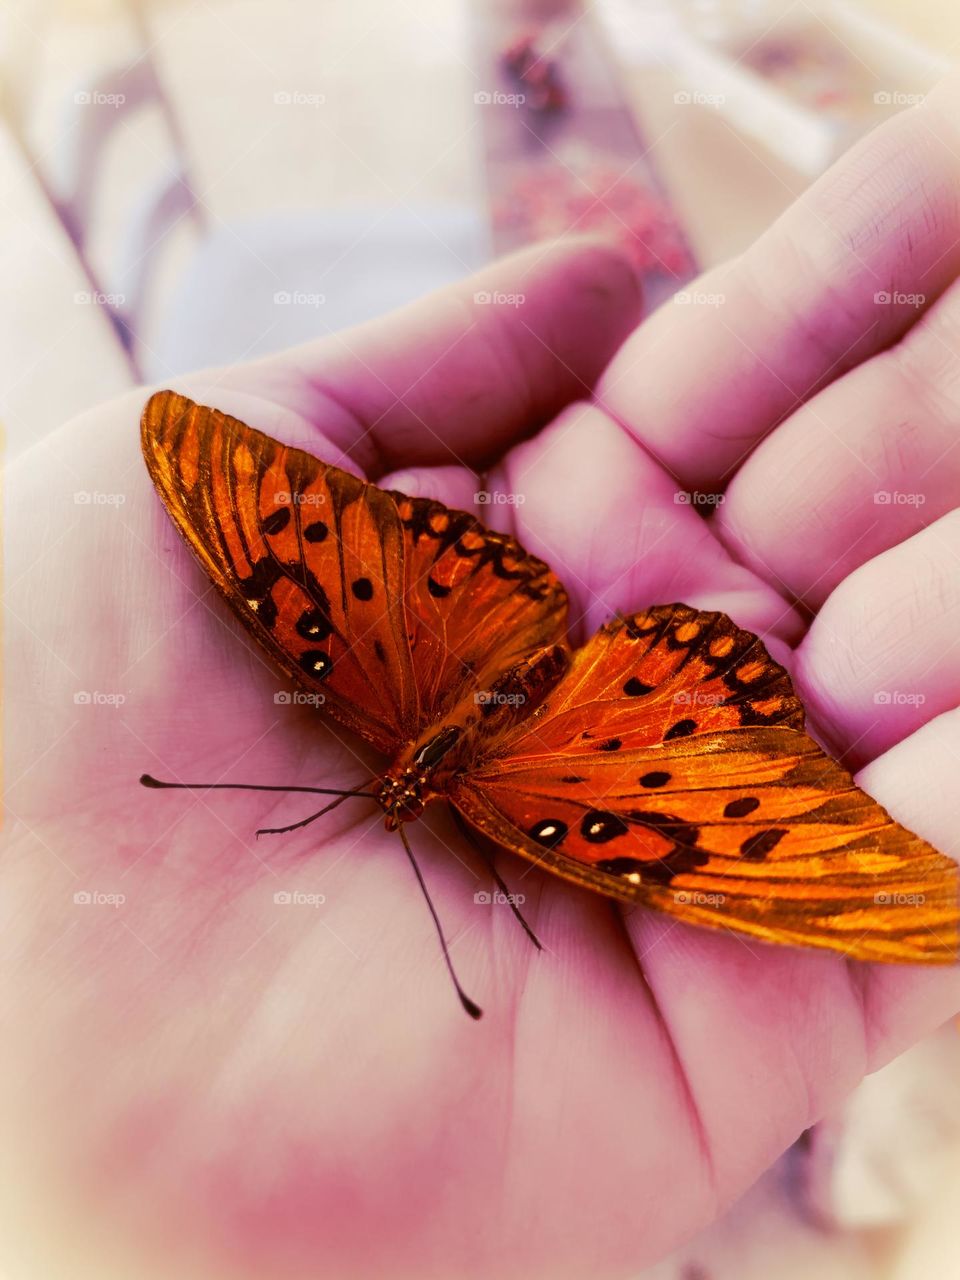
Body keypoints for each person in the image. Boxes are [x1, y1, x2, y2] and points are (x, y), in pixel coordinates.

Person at [5, 71, 960, 1280]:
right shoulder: (500, 799)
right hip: (534, 679)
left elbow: (219, 473)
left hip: (464, 652)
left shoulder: (397, 732)